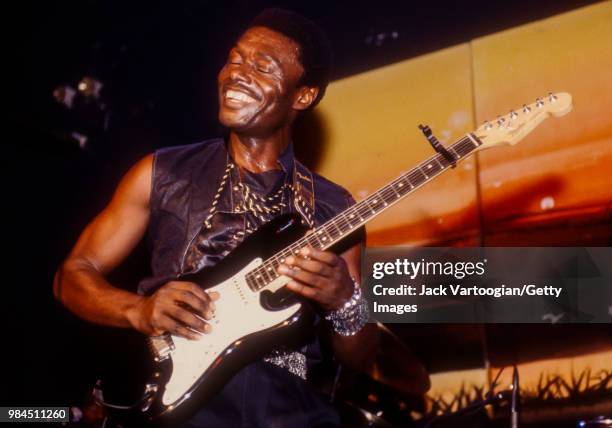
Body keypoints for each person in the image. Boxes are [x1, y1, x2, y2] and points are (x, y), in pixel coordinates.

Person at [54, 8, 385, 428]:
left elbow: (360, 357)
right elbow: (72, 275)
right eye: (234, 59)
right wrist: (137, 310)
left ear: (302, 96)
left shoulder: (335, 206)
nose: (237, 73)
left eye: (262, 66)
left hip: (290, 413)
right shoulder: (162, 173)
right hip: (179, 407)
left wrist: (344, 301)